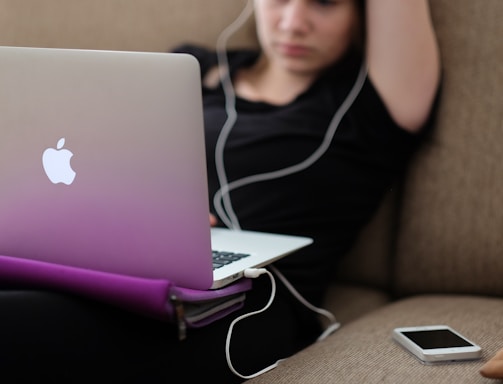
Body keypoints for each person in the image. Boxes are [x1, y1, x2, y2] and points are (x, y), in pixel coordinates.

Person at [0, 0, 441, 382]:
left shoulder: (373, 102)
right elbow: (102, 165)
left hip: (250, 302)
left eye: (324, 2)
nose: (293, 22)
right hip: (133, 263)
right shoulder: (189, 69)